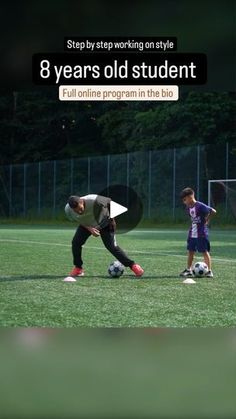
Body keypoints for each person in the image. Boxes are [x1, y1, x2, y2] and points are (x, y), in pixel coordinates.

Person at [65, 194, 144, 277]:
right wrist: (90, 229)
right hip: (88, 224)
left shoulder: (95, 200)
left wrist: (105, 223)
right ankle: (78, 268)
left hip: (105, 222)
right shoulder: (68, 210)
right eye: (76, 211)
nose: (79, 212)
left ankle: (133, 266)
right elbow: (79, 219)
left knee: (111, 247)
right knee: (76, 243)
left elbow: (110, 203)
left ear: (81, 201)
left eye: (80, 209)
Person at [179, 187, 216, 278]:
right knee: (190, 251)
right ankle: (189, 270)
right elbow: (193, 219)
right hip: (192, 233)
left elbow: (213, 211)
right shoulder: (188, 208)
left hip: (201, 233)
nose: (184, 202)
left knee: (204, 251)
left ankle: (209, 271)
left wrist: (207, 219)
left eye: (185, 199)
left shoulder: (200, 206)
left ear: (190, 197)